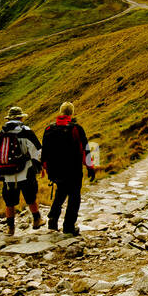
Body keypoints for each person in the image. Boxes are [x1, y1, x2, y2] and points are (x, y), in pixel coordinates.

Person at [40, 101, 95, 235]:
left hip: (55, 170)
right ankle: (69, 226)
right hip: (73, 169)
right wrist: (90, 167)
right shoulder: (76, 128)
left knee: (61, 191)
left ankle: (52, 220)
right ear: (72, 113)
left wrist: (45, 168)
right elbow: (85, 149)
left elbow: (44, 151)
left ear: (60, 112)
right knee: (74, 195)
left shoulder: (49, 128)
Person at [0, 106, 43, 234]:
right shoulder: (25, 131)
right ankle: (37, 220)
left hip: (7, 174)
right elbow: (37, 151)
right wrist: (38, 166)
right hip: (25, 171)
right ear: (20, 118)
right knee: (30, 197)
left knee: (9, 201)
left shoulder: (0, 134)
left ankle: (11, 228)